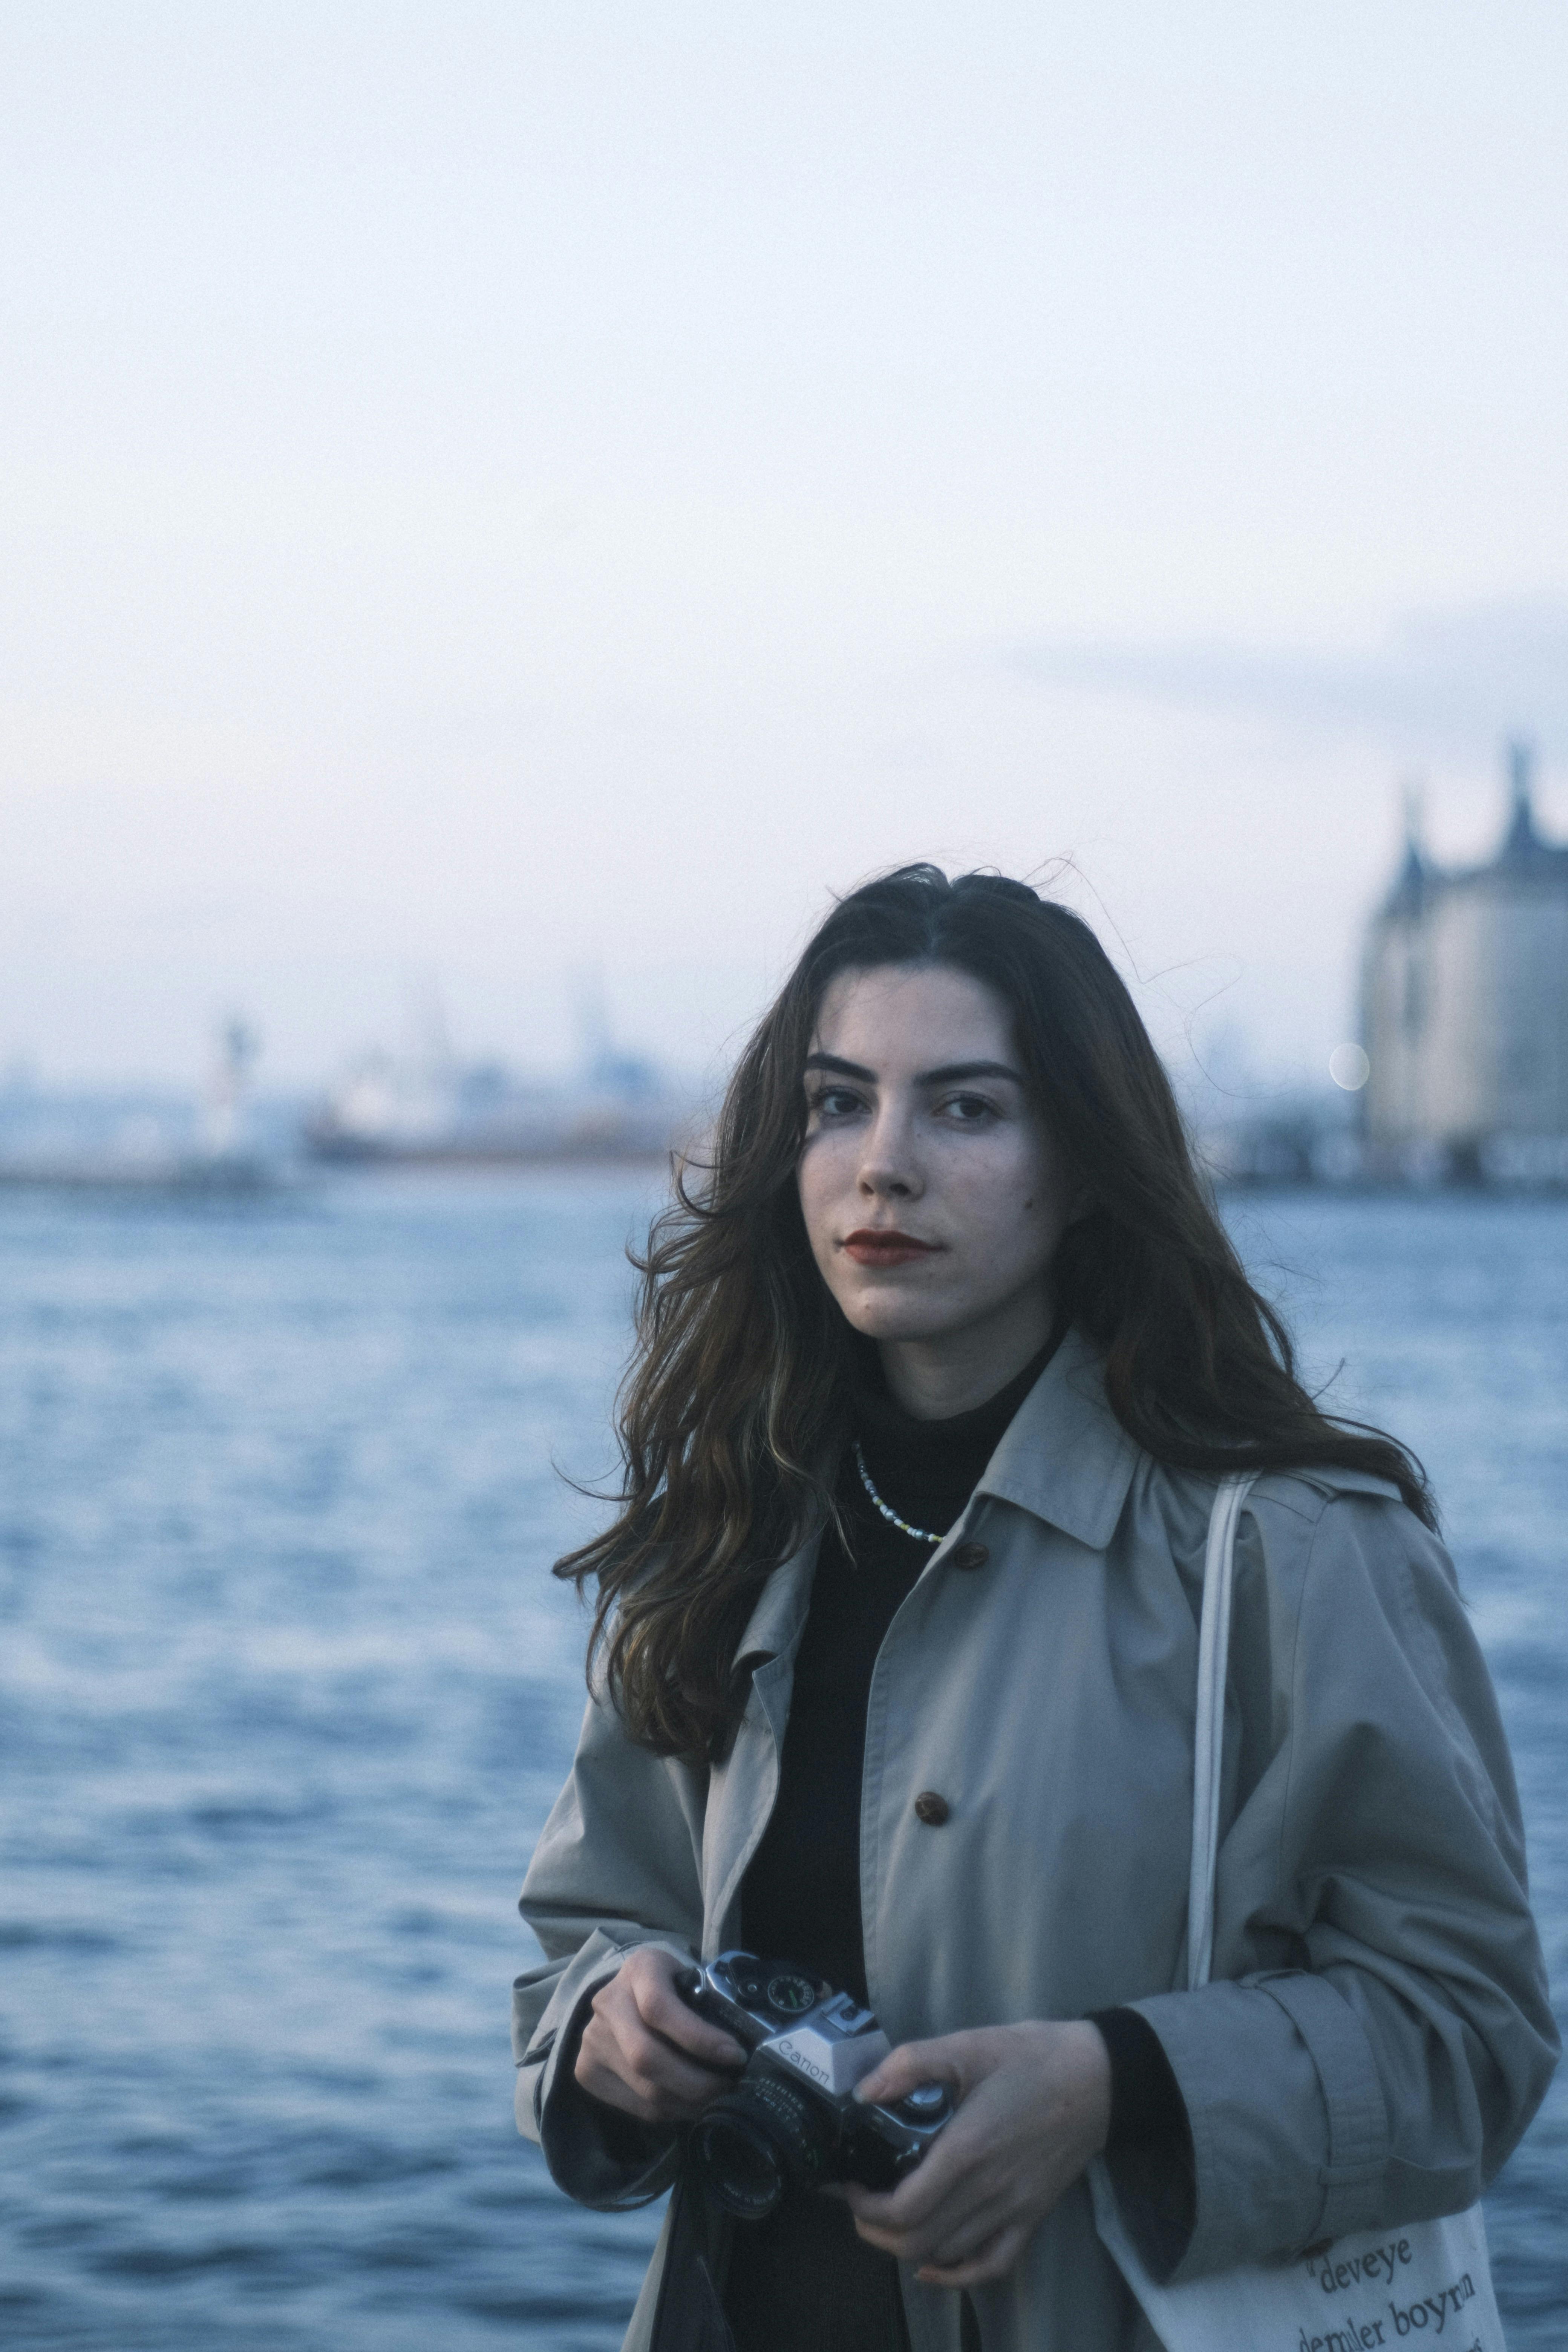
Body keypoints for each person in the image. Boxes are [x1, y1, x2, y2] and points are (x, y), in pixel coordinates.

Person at [512, 866, 1557, 2352]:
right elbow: (584, 1932)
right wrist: (613, 2019)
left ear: (1084, 1162)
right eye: (837, 1103)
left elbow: (1469, 2033)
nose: (883, 1166)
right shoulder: (738, 1517)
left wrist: (1115, 2084)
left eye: (965, 1108)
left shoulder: (1292, 1548)